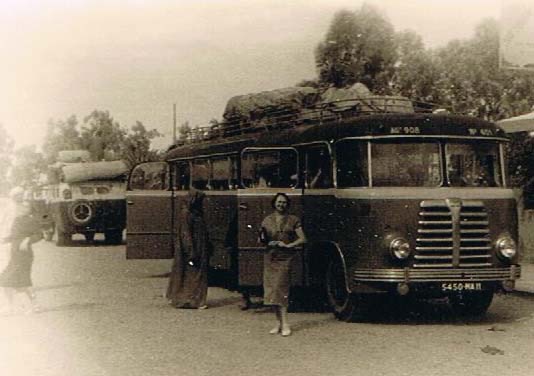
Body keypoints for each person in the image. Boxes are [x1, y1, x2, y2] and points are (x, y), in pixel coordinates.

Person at [259, 193, 306, 336]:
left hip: (285, 257)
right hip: (270, 257)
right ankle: (278, 323)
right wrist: (268, 242)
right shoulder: (267, 220)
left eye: (284, 202)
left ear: (287, 204)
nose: (281, 205)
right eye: (279, 202)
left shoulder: (293, 220)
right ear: (274, 203)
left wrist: (288, 245)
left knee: (281, 289)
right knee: (272, 290)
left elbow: (303, 239)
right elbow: (261, 239)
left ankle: (285, 323)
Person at [166, 189, 212, 309]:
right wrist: (191, 250)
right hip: (194, 248)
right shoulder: (188, 214)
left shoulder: (193, 213)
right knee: (194, 275)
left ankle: (185, 299)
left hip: (197, 247)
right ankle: (193, 300)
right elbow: (186, 234)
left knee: (189, 274)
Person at [0, 187, 43, 314]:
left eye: (23, 207)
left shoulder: (30, 220)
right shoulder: (17, 221)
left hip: (24, 255)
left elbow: (39, 235)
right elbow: (14, 236)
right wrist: (4, 240)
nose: (19, 209)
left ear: (27, 209)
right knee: (6, 280)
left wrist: (27, 240)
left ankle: (34, 305)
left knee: (21, 282)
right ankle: (10, 306)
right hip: (15, 253)